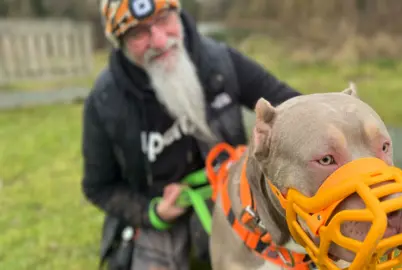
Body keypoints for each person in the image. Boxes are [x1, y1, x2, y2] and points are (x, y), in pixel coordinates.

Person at [81, 0, 301, 269]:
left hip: (232, 191)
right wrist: (152, 212)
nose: (160, 41)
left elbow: (289, 106)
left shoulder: (221, 61)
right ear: (119, 42)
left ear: (179, 14)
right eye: (138, 33)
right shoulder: (104, 102)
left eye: (164, 20)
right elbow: (98, 186)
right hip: (159, 211)